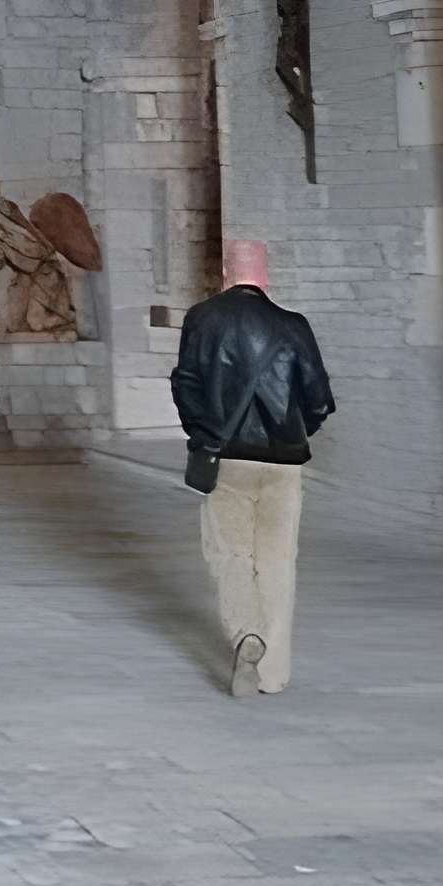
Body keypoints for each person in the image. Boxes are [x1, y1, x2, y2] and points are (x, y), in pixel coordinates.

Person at [170, 238, 333, 699]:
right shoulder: (294, 326)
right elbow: (319, 399)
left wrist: (204, 434)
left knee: (230, 555)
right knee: (279, 563)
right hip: (284, 461)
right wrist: (294, 432)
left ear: (227, 272)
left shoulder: (202, 319)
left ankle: (247, 635)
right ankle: (274, 674)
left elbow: (185, 384)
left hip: (227, 458)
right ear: (267, 276)